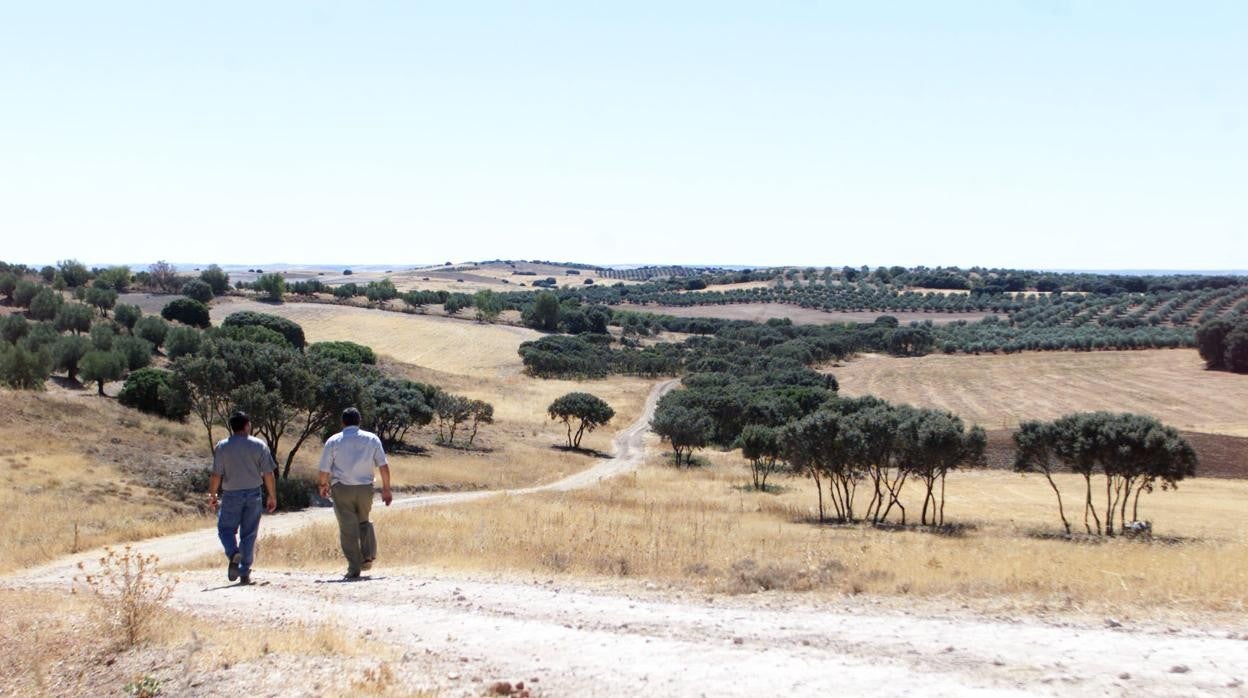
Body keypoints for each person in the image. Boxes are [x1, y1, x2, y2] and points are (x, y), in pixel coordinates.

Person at [318, 407, 392, 579]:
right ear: (360, 421)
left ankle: (354, 567)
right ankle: (368, 556)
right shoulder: (372, 439)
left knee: (347, 528)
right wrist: (386, 489)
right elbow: (383, 465)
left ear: (342, 422)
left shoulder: (334, 441)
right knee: (363, 521)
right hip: (365, 488)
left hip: (342, 488)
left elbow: (324, 469)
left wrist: (323, 485)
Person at [207, 411, 278, 585]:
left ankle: (233, 554)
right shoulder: (259, 445)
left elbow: (216, 474)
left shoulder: (222, 446)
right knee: (249, 533)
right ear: (247, 425)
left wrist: (213, 494)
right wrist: (272, 495)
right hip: (253, 493)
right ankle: (244, 573)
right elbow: (268, 473)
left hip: (231, 494)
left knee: (225, 529)